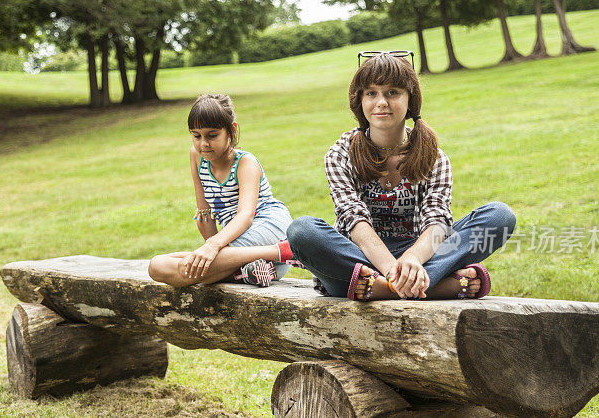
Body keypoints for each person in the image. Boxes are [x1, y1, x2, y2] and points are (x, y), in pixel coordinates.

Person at [281, 51, 516, 300]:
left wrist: (412, 258)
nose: (381, 102)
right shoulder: (340, 154)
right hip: (359, 252)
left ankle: (378, 288)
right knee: (302, 230)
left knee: (499, 216)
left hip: (420, 252)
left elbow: (437, 222)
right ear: (359, 100)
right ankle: (433, 285)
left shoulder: (433, 156)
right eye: (371, 93)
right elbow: (354, 220)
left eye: (392, 92)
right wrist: (393, 270)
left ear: (409, 99)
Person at [148, 93, 294, 287]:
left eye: (212, 135)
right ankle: (245, 271)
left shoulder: (245, 162)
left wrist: (213, 246)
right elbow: (204, 213)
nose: (203, 144)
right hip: (241, 248)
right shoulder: (197, 157)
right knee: (156, 266)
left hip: (268, 227)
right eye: (196, 136)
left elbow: (246, 215)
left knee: (185, 270)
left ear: (231, 130)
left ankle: (284, 251)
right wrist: (211, 251)